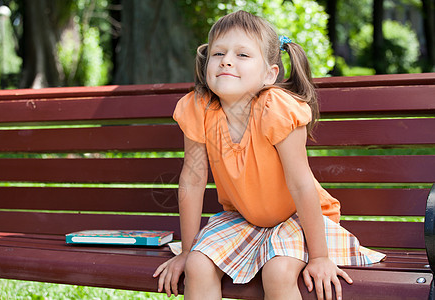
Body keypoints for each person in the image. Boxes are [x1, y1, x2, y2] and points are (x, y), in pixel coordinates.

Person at [153, 10, 385, 300]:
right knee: (198, 266)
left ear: (269, 74)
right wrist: (187, 251)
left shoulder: (275, 109)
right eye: (218, 53)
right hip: (244, 219)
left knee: (277, 271)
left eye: (242, 55)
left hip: (297, 218)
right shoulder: (198, 108)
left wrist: (319, 257)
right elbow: (193, 178)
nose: (226, 60)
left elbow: (301, 184)